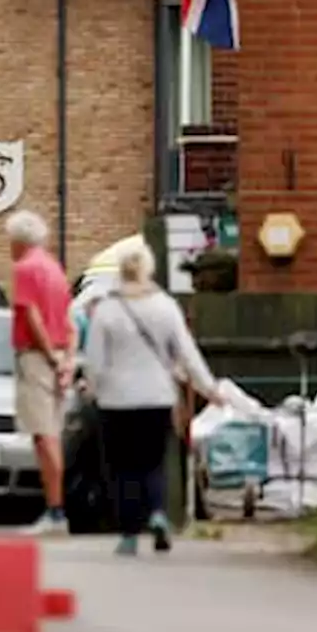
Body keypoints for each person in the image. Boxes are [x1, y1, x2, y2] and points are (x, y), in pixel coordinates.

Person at [83, 236, 223, 556]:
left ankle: (130, 533)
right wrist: (209, 388)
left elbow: (94, 360)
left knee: (121, 467)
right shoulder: (165, 306)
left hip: (115, 400)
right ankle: (158, 514)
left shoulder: (106, 309)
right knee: (152, 462)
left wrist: (93, 385)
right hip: (157, 396)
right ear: (149, 269)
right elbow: (187, 353)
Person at [5, 209, 74, 536]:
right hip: (59, 353)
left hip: (37, 357)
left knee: (43, 436)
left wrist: (48, 356)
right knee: (53, 434)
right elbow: (69, 319)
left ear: (18, 240)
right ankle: (55, 509)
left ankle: (55, 511)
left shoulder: (24, 269)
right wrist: (67, 359)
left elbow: (30, 315)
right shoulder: (54, 269)